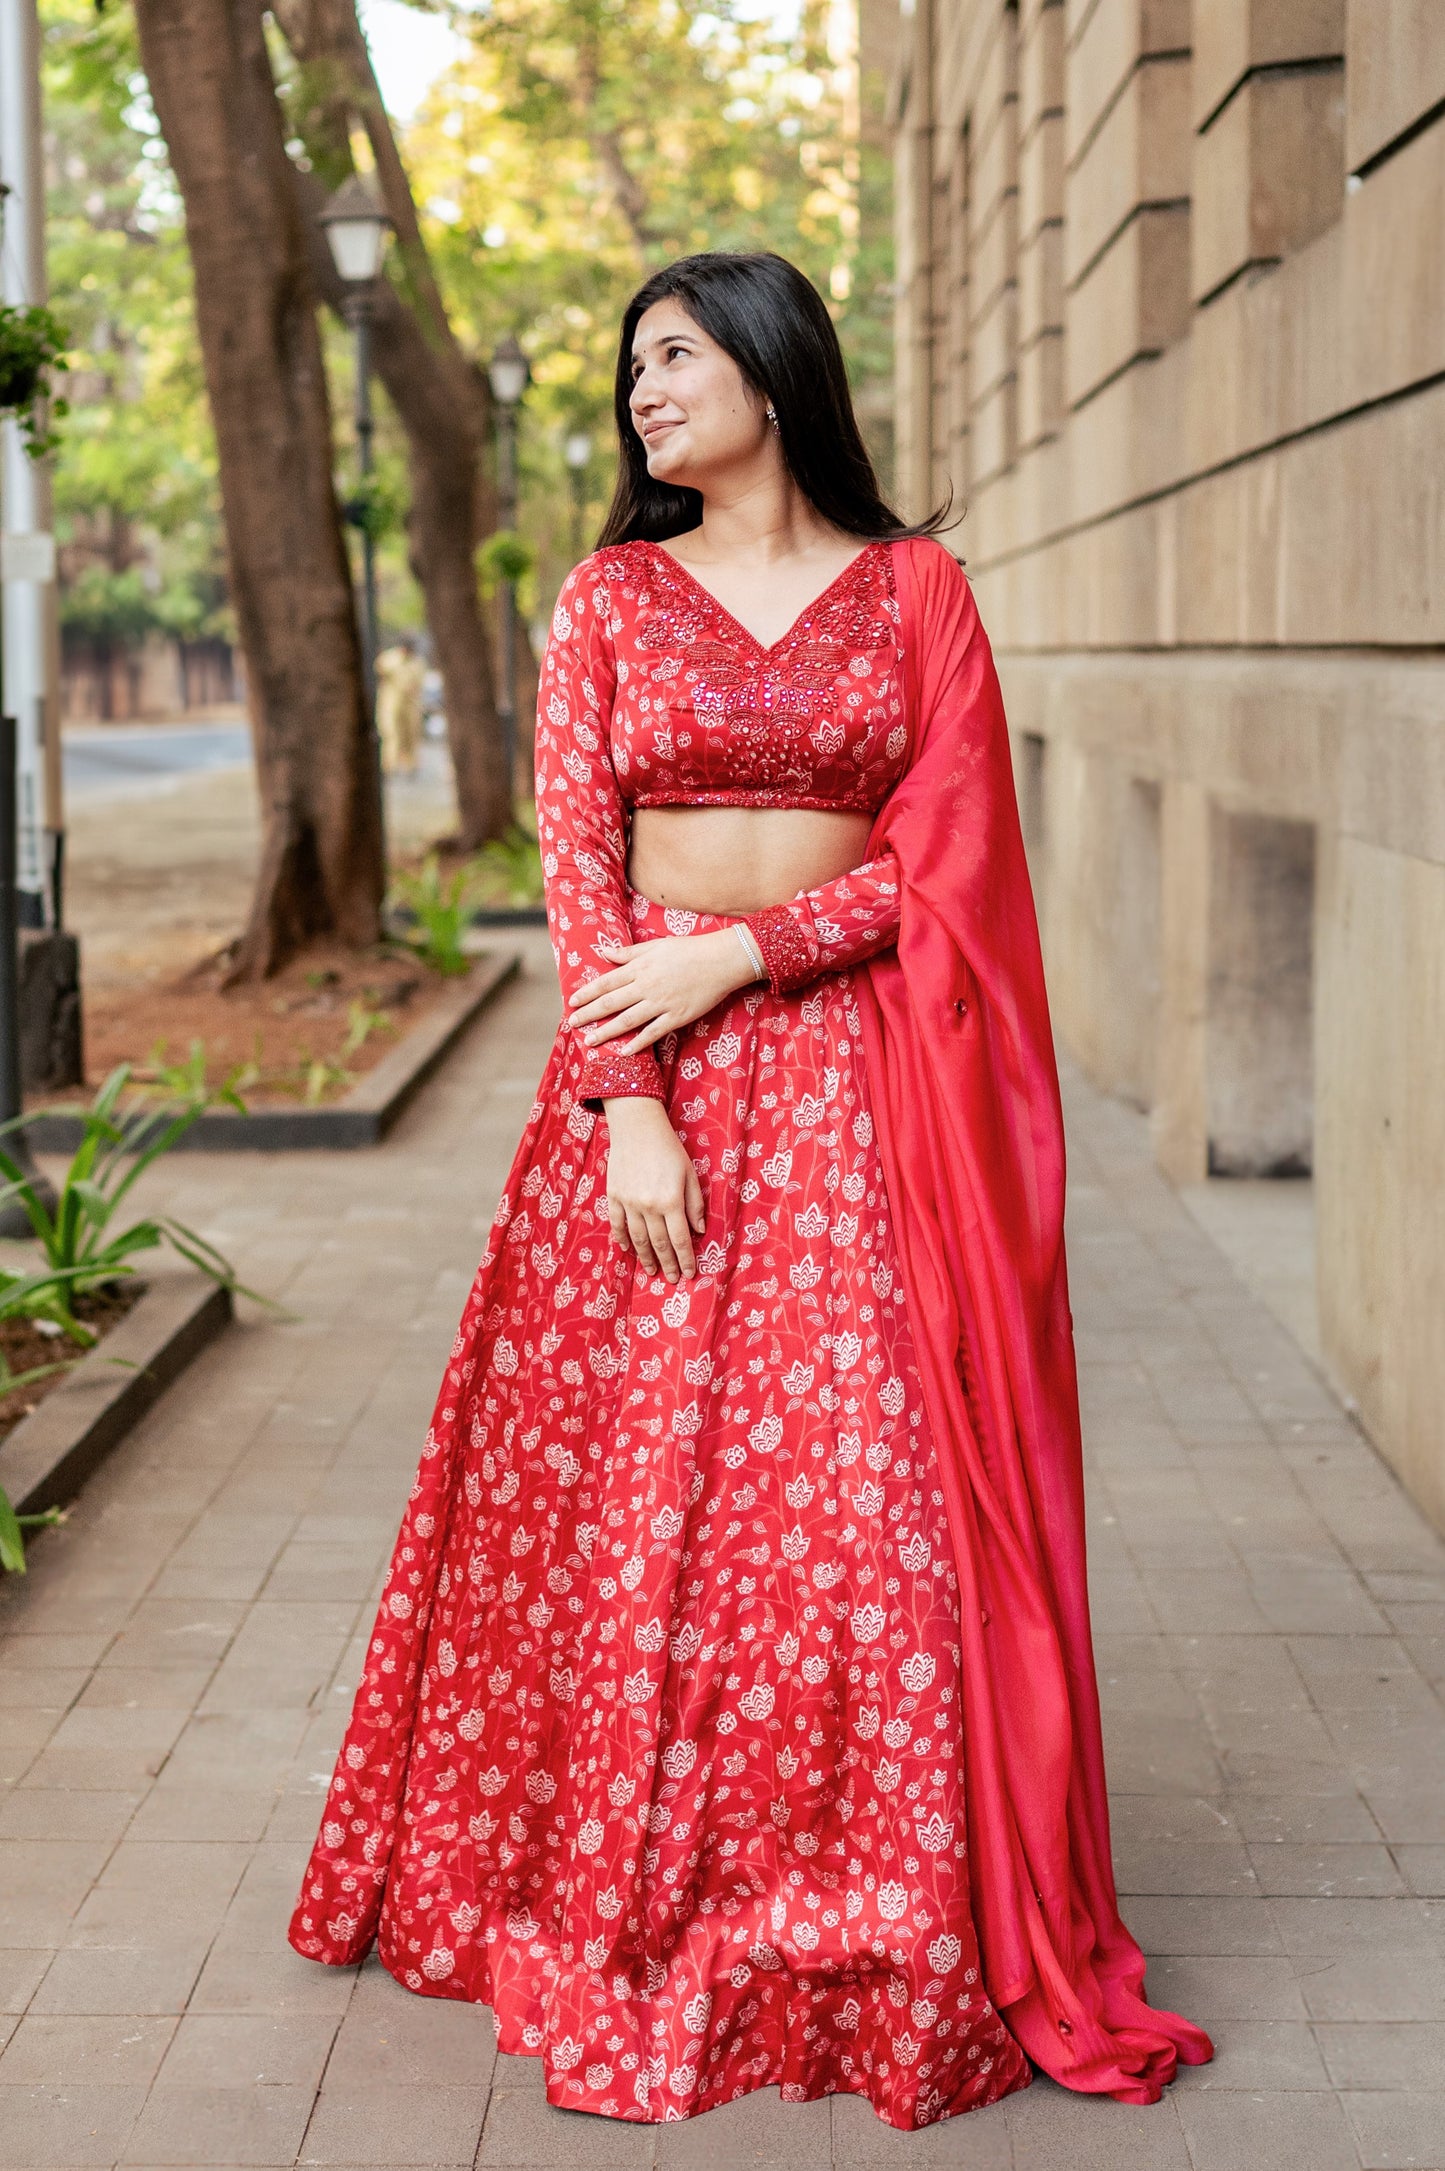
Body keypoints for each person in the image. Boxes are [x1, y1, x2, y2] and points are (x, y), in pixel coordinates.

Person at [289, 251, 1213, 2129]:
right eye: (631, 368)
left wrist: (752, 951)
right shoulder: (613, 598)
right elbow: (575, 861)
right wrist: (631, 1096)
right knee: (636, 1507)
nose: (642, 391)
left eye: (676, 355)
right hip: (645, 1092)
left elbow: (953, 854)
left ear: (776, 371)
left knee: (865, 1512)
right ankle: (633, 1886)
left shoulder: (918, 592)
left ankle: (859, 1915)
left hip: (862, 1091)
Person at [375, 635, 426, 774]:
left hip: (410, 705)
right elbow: (378, 672)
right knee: (392, 735)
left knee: (411, 736)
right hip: (391, 704)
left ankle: (410, 766)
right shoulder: (389, 659)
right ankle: (389, 766)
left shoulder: (416, 662)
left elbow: (419, 684)